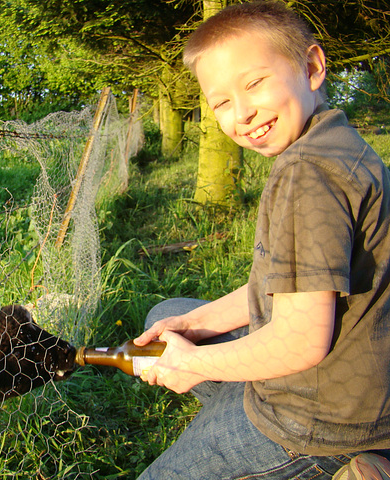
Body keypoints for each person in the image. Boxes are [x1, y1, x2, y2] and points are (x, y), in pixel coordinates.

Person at [133, 1, 390, 479]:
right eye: (222, 102)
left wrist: (195, 364)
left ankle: (350, 467)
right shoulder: (337, 142)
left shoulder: (306, 174)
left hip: (318, 418)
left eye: (254, 83)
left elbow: (300, 343)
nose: (243, 113)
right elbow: (282, 286)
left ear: (312, 67)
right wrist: (195, 324)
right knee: (167, 318)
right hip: (367, 382)